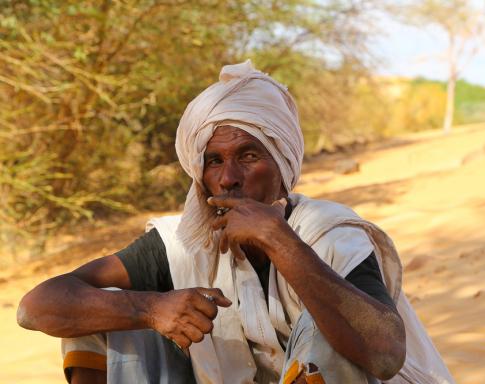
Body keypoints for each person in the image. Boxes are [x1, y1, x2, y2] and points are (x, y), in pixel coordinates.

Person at [17, 61, 454, 384]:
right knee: (97, 310)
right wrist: (150, 309)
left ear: (281, 164)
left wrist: (277, 239)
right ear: (200, 173)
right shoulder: (181, 244)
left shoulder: (327, 232)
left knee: (328, 331)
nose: (228, 178)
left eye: (248, 156)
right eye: (214, 161)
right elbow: (37, 306)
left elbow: (383, 354)